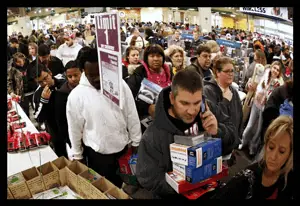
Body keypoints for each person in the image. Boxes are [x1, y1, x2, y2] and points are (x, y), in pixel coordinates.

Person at [136, 69, 239, 199]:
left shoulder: (208, 110)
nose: (191, 111)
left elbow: (234, 138)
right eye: (184, 103)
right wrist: (186, 185)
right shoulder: (153, 135)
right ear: (172, 98)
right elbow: (148, 178)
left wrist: (218, 131)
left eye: (196, 103)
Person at [66, 48, 142, 188]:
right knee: (103, 188)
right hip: (98, 154)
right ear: (83, 71)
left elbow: (131, 113)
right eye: (91, 75)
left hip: (122, 148)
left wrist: (136, 140)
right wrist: (77, 155)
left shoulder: (119, 85)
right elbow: (74, 128)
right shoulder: (77, 96)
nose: (96, 79)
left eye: (99, 74)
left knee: (122, 185)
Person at [212, 115, 293, 199]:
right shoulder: (246, 180)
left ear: (289, 154)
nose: (273, 156)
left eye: (282, 151)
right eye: (271, 147)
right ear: (265, 145)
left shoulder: (289, 178)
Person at [203, 56, 243, 162]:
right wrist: (225, 101)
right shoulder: (208, 91)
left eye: (232, 71)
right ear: (217, 72)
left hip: (230, 145)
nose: (231, 74)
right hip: (216, 148)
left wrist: (237, 140)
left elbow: (239, 116)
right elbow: (215, 119)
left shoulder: (233, 91)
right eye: (227, 71)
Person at [241, 61, 284, 156]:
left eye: (278, 70)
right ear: (271, 67)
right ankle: (243, 142)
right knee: (250, 125)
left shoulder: (278, 83)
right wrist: (250, 85)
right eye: (274, 68)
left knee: (259, 129)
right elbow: (254, 82)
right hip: (256, 103)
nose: (275, 71)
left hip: (264, 108)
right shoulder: (265, 74)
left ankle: (252, 147)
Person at [127, 44, 172, 123]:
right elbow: (130, 98)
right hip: (146, 117)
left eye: (158, 56)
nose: (156, 59)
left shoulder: (169, 71)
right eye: (152, 56)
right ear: (146, 58)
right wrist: (147, 108)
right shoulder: (139, 73)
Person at [32, 64, 66, 156]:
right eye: (40, 82)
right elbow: (38, 118)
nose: (44, 83)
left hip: (72, 127)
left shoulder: (64, 82)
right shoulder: (38, 94)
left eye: (45, 78)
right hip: (56, 132)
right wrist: (44, 100)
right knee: (63, 158)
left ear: (50, 73)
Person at [55, 60, 82, 158]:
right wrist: (69, 140)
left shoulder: (89, 88)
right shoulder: (62, 94)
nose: (73, 79)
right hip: (73, 135)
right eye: (70, 77)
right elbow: (61, 121)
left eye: (76, 75)